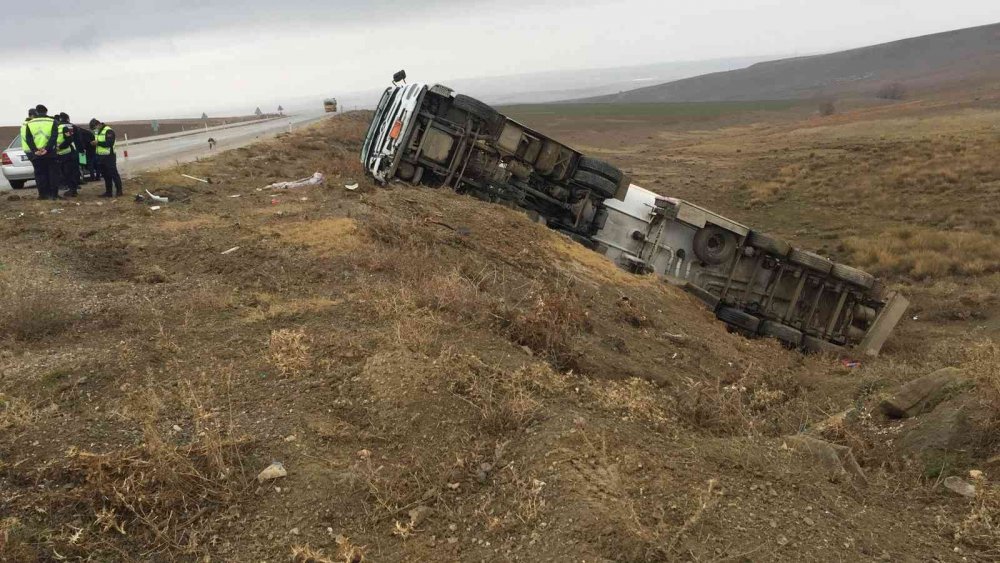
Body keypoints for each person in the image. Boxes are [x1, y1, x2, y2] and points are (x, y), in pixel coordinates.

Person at [21, 105, 60, 200]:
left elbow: (28, 139)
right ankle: (54, 195)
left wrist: (35, 150)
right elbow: (54, 137)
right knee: (53, 173)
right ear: (46, 112)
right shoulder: (52, 121)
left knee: (40, 174)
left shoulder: (29, 123)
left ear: (37, 112)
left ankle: (42, 195)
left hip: (37, 154)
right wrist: (46, 149)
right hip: (50, 153)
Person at [90, 118, 123, 197]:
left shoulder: (108, 131)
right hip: (100, 157)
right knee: (106, 175)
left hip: (109, 156)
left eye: (95, 128)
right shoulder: (97, 132)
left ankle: (119, 191)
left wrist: (98, 143)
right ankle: (108, 192)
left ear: (98, 124)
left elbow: (109, 143)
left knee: (113, 174)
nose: (95, 130)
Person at [55, 113, 81, 197]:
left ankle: (72, 189)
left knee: (67, 172)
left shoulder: (61, 128)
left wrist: (59, 147)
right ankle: (74, 186)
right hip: (72, 151)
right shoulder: (73, 126)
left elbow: (69, 139)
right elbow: (79, 139)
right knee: (72, 170)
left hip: (66, 152)